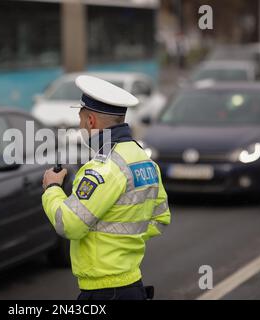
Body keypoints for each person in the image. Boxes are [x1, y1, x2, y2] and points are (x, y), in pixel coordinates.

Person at [41, 75, 171, 300]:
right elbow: (160, 218)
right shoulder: (143, 159)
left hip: (103, 292)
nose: (80, 126)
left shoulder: (104, 168)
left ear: (91, 121)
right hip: (132, 285)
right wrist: (123, 241)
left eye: (81, 120)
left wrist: (52, 188)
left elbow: (69, 224)